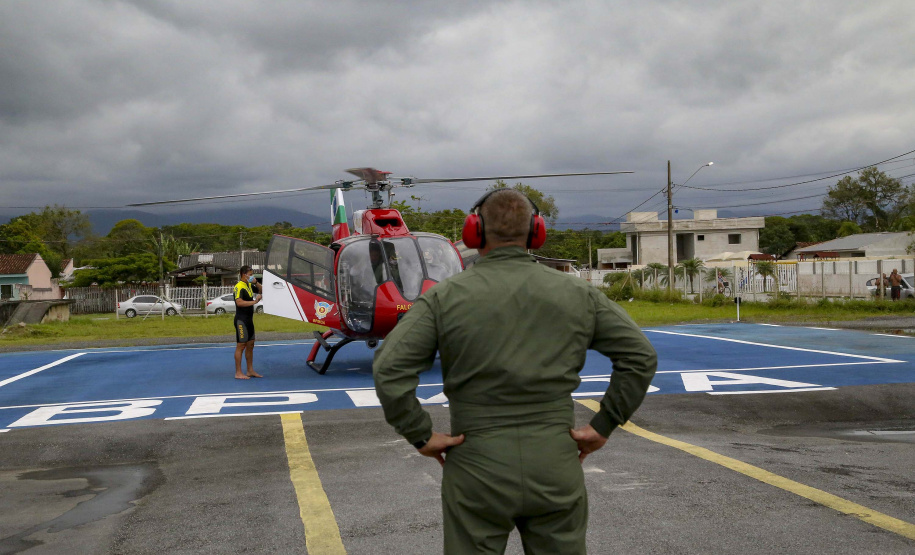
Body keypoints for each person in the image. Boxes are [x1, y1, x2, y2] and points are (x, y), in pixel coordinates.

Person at [373, 189, 658, 554]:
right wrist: (604, 424)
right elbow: (640, 356)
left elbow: (389, 368)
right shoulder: (577, 292)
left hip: (476, 464)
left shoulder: (445, 296)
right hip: (554, 461)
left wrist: (421, 434)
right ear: (536, 231)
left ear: (474, 231)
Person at [233, 265, 263, 379]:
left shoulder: (249, 285)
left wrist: (256, 283)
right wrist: (254, 302)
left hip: (249, 320)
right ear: (243, 274)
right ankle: (238, 372)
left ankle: (250, 370)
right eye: (250, 275)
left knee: (251, 344)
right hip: (241, 320)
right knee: (241, 345)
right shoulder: (239, 286)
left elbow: (262, 290)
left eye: (252, 274)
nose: (252, 276)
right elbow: (239, 302)